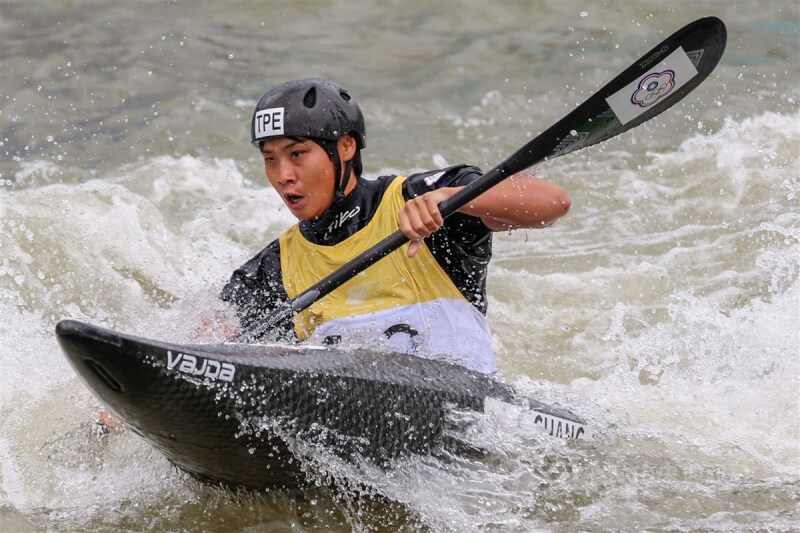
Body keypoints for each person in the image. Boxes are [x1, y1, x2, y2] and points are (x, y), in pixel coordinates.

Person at [220, 78, 570, 374]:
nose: (283, 176)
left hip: (468, 423)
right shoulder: (275, 267)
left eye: (296, 154)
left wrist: (452, 198)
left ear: (345, 146)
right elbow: (209, 343)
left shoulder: (425, 200)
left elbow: (553, 203)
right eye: (270, 159)